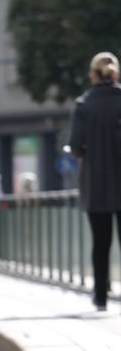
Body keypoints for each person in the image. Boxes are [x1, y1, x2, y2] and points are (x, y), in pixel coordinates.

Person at [69, 51, 121, 312]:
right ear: (116, 73)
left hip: (96, 183)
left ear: (93, 74)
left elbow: (76, 145)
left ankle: (101, 295)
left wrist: (87, 155)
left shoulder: (84, 105)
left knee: (101, 243)